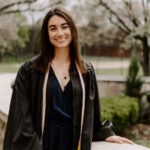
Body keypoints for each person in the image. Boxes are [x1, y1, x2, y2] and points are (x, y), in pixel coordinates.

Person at [3, 7, 133, 150]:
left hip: (73, 143)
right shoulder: (30, 71)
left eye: (64, 27)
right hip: (42, 143)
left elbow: (93, 114)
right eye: (53, 28)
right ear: (46, 34)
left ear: (72, 30)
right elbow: (21, 118)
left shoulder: (86, 71)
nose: (60, 33)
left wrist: (105, 133)